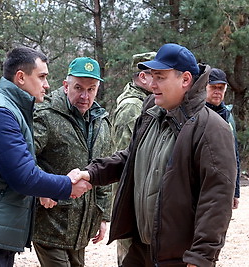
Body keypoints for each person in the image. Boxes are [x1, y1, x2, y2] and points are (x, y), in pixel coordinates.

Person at [78, 43, 237, 266]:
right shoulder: (152, 114)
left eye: (160, 77)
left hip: (178, 258)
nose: (152, 85)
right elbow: (130, 158)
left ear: (185, 79)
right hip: (140, 251)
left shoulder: (211, 128)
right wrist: (92, 173)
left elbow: (216, 200)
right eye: (152, 76)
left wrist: (201, 258)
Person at [0, 47, 92, 267]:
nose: (47, 85)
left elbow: (19, 167)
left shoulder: (9, 108)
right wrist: (66, 185)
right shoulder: (1, 114)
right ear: (21, 77)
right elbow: (23, 177)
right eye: (42, 77)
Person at [32, 57, 112, 267]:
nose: (85, 96)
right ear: (66, 86)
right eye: (78, 88)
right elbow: (23, 157)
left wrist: (103, 215)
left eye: (91, 89)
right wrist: (42, 188)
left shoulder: (100, 120)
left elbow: (104, 168)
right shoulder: (45, 114)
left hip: (82, 226)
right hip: (51, 222)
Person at [110, 51, 156, 267]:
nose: (160, 81)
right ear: (143, 77)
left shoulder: (147, 102)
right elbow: (126, 160)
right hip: (132, 203)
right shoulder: (132, 107)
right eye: (157, 75)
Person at [206, 68, 240, 209]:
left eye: (221, 88)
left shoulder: (228, 116)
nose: (217, 92)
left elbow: (234, 155)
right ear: (204, 88)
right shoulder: (196, 115)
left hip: (224, 186)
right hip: (202, 186)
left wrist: (235, 191)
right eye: (213, 87)